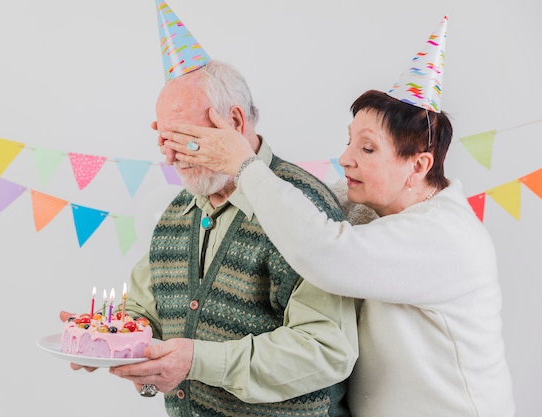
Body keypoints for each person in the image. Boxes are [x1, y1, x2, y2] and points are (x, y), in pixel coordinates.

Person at [160, 87, 516, 416]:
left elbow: (322, 250)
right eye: (349, 142)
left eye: (367, 148)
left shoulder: (444, 237)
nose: (345, 158)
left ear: (418, 166)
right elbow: (299, 206)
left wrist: (243, 162)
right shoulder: (365, 207)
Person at [62, 60, 359, 417]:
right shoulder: (178, 211)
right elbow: (147, 311)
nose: (171, 157)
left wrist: (196, 361)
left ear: (234, 123)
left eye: (185, 139)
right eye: (163, 141)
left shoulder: (303, 208)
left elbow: (326, 351)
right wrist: (106, 336)